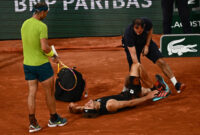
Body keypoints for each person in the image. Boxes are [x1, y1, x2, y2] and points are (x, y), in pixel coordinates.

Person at [21, 2, 67, 133]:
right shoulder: (42, 26)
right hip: (41, 65)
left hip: (27, 65)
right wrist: (53, 56)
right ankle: (54, 119)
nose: (46, 14)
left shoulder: (24, 24)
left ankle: (33, 123)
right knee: (49, 93)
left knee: (31, 93)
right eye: (46, 12)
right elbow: (44, 47)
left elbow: (30, 44)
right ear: (41, 12)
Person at [69, 63, 171, 118]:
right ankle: (156, 90)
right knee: (136, 66)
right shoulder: (110, 105)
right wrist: (147, 98)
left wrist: (73, 108)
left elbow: (80, 109)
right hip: (131, 96)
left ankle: (151, 90)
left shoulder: (94, 105)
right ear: (95, 109)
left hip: (124, 93)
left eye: (86, 105)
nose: (87, 103)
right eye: (89, 105)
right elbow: (130, 103)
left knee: (129, 79)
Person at [122, 18, 186, 93]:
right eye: (136, 30)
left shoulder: (147, 23)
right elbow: (135, 59)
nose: (138, 33)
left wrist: (147, 45)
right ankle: (129, 87)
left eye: (140, 31)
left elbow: (150, 31)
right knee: (135, 70)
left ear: (144, 26)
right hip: (133, 47)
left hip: (144, 41)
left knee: (161, 61)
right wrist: (140, 68)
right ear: (133, 27)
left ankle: (176, 84)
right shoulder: (128, 34)